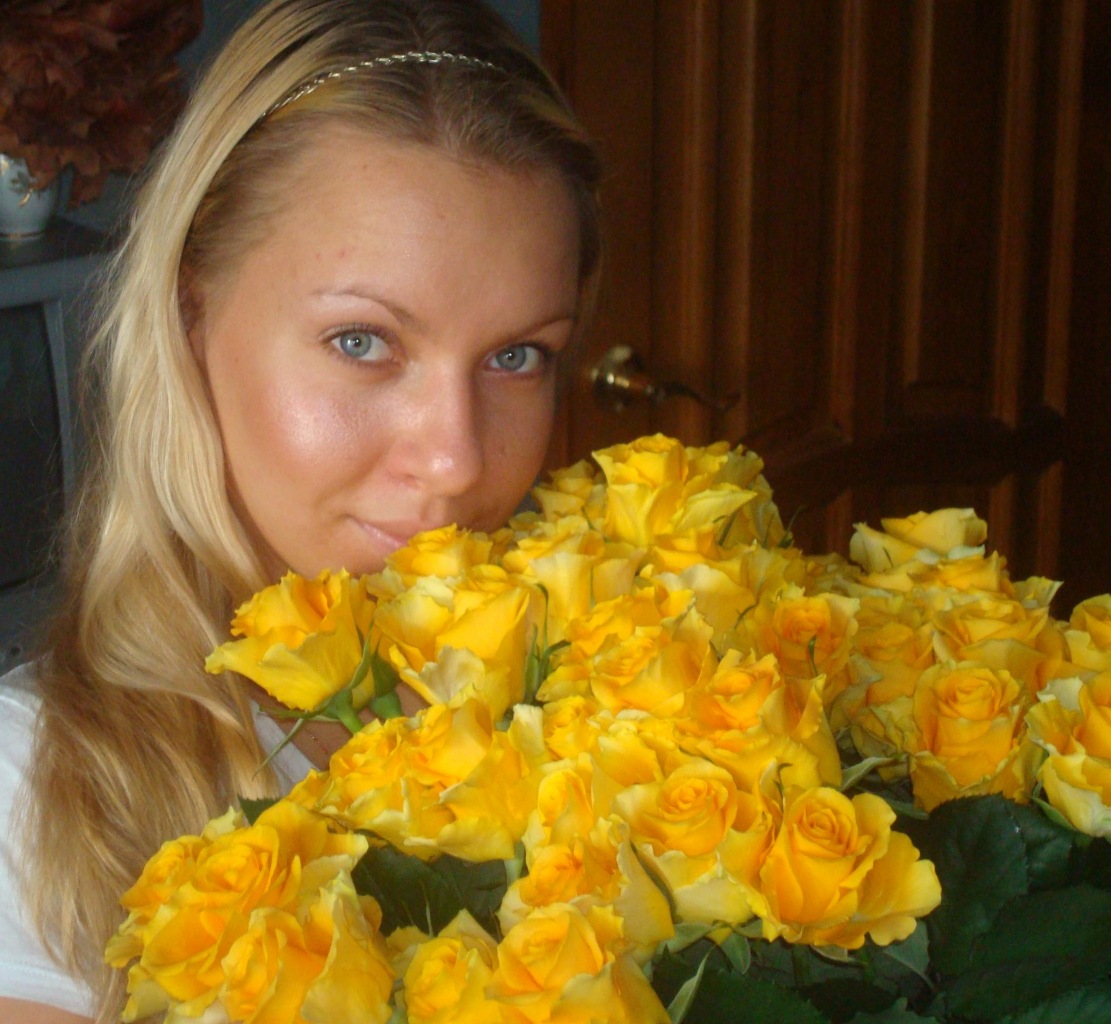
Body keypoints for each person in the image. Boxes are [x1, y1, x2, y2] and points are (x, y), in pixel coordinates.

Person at [0, 0, 601, 1019]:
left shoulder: (619, 697)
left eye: (516, 356)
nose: (455, 461)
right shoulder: (35, 803)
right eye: (362, 341)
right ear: (190, 312)